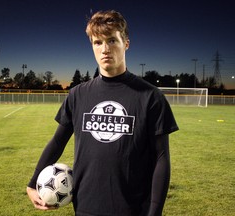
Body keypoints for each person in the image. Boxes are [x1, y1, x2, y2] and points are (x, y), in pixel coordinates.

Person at [27, 10, 179, 216]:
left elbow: (162, 158)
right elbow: (57, 142)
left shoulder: (150, 97)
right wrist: (33, 182)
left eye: (112, 41)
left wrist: (155, 212)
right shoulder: (78, 94)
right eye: (97, 42)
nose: (105, 49)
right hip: (85, 205)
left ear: (126, 43)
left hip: (133, 208)